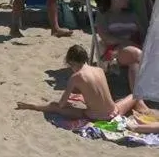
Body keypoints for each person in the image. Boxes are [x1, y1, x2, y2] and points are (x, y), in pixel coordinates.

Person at [16, 44, 145, 120]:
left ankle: (32, 106)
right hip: (115, 111)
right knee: (134, 95)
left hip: (95, 116)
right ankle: (141, 107)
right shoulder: (99, 70)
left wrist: (68, 104)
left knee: (54, 106)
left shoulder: (76, 77)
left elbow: (61, 104)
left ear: (72, 62)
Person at [95, 0, 143, 90]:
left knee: (134, 59)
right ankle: (138, 100)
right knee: (135, 53)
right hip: (114, 52)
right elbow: (105, 38)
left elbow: (144, 33)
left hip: (135, 48)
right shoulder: (104, 15)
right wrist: (126, 42)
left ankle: (138, 99)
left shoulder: (132, 14)